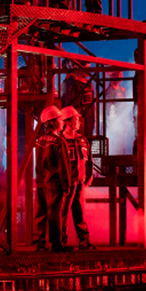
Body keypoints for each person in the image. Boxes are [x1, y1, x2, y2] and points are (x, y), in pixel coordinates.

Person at [34, 106, 71, 252]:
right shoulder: (59, 141)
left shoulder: (40, 140)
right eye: (60, 119)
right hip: (54, 183)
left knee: (40, 214)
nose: (62, 122)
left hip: (41, 182)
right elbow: (64, 166)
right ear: (53, 122)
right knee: (55, 215)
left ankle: (40, 243)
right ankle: (56, 244)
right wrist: (66, 184)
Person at [59, 106, 95, 250]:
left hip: (79, 182)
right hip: (66, 184)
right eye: (76, 119)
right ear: (68, 121)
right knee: (62, 213)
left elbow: (89, 160)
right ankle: (59, 243)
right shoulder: (60, 141)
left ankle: (84, 242)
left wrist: (90, 175)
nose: (79, 122)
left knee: (80, 213)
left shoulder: (82, 140)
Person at [61, 60, 96, 141]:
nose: (88, 71)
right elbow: (72, 102)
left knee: (88, 140)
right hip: (80, 119)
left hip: (89, 119)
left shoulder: (88, 83)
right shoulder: (74, 83)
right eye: (87, 68)